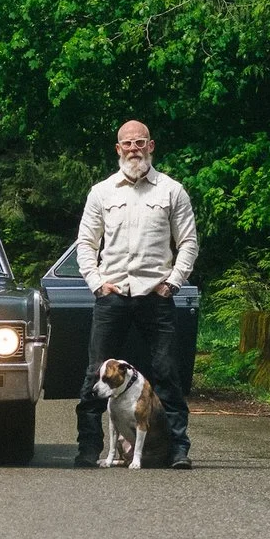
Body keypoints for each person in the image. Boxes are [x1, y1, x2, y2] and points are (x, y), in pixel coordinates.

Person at [73, 120, 200, 468]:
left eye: (140, 142)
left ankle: (178, 449)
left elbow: (188, 242)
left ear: (151, 146)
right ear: (118, 149)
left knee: (167, 373)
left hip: (155, 296)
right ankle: (88, 448)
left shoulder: (172, 191)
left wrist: (173, 283)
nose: (134, 149)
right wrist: (97, 283)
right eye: (127, 143)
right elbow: (86, 243)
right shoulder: (101, 192)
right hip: (112, 295)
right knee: (95, 374)